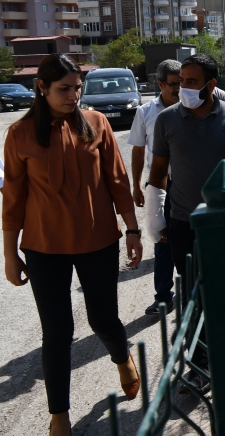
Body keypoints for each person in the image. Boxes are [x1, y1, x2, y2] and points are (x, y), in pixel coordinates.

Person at [2, 54, 142, 436]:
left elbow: (116, 180)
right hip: (44, 247)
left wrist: (132, 230)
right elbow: (13, 199)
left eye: (77, 87)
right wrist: (9, 254)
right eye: (64, 89)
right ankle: (58, 414)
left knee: (103, 319)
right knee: (57, 331)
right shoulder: (20, 135)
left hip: (97, 241)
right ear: (42, 88)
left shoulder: (96, 124)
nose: (73, 95)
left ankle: (121, 356)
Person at [146, 53, 225, 392]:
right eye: (181, 82)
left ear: (211, 85)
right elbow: (159, 174)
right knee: (193, 293)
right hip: (184, 222)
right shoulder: (166, 121)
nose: (183, 89)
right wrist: (155, 219)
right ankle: (199, 364)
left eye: (192, 82)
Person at [128, 59, 181, 315]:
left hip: (189, 184)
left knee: (192, 240)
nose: (179, 89)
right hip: (160, 185)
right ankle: (163, 297)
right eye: (173, 84)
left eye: (183, 83)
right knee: (162, 239)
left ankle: (198, 295)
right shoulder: (145, 112)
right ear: (160, 84)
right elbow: (138, 151)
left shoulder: (192, 109)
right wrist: (137, 186)